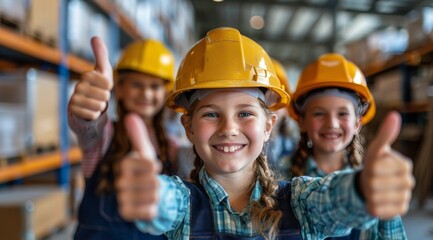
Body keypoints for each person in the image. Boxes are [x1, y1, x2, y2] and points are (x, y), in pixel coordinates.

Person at [115, 27, 414, 240]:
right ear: (189, 128)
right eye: (210, 114)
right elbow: (166, 202)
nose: (229, 128)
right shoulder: (182, 204)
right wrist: (151, 196)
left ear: (269, 126)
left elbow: (333, 200)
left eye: (245, 113)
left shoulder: (299, 201)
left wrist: (362, 189)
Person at [287, 53, 408, 239]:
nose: (332, 124)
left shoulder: (374, 180)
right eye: (319, 113)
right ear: (302, 121)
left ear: (357, 124)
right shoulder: (281, 175)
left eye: (343, 114)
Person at [69, 37, 179, 239]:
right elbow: (86, 125)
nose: (146, 93)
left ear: (165, 93)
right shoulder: (104, 137)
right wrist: (87, 110)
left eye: (155, 86)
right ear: (119, 89)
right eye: (136, 84)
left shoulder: (171, 145)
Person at [265, 58, 300, 177]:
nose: (269, 107)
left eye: (277, 101)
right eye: (264, 100)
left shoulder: (293, 146)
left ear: (286, 109)